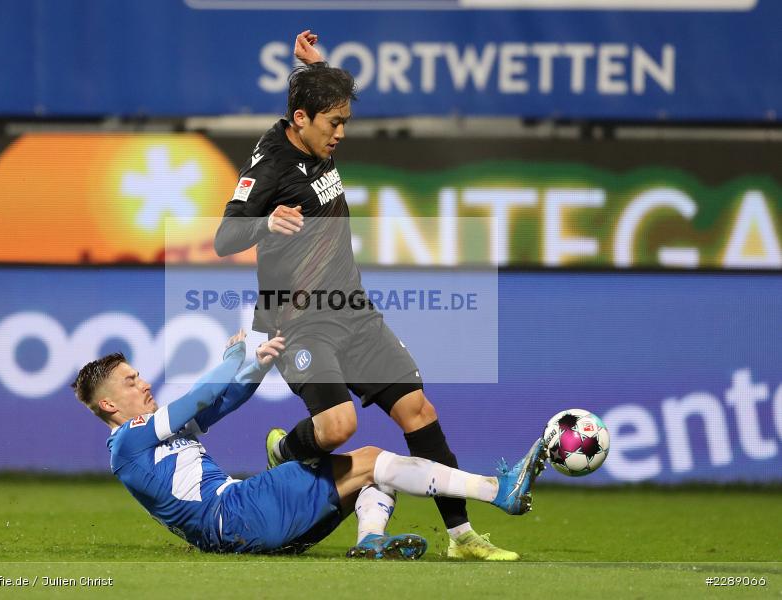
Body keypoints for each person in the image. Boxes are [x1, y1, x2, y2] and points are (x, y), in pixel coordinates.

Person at [213, 30, 518, 559]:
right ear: (302, 119)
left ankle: (461, 537)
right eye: (335, 123)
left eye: (345, 122)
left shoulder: (312, 129)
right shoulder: (268, 168)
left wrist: (317, 67)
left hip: (353, 310)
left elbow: (315, 102)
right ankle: (285, 449)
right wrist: (267, 221)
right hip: (298, 323)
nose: (341, 135)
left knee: (417, 411)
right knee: (339, 425)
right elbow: (223, 237)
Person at [71, 331, 546, 557]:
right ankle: (495, 490)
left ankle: (370, 543)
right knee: (373, 460)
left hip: (240, 530)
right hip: (236, 513)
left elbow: (226, 399)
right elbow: (202, 394)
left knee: (362, 475)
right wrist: (234, 355)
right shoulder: (128, 442)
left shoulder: (153, 436)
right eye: (131, 382)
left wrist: (255, 363)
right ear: (111, 406)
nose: (145, 383)